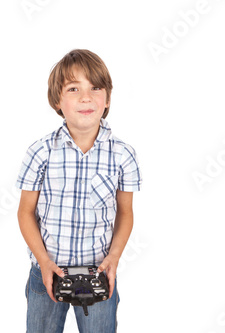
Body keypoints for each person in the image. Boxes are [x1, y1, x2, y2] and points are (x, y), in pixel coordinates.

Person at [15, 49, 142, 332]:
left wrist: (114, 257)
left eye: (95, 88)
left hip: (99, 273)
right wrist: (44, 262)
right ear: (57, 101)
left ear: (107, 99)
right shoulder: (40, 152)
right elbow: (25, 212)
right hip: (46, 271)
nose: (86, 97)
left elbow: (125, 212)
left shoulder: (123, 155)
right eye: (74, 88)